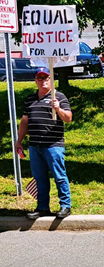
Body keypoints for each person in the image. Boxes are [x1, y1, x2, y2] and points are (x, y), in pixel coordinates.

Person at [15, 67, 73, 219]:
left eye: (45, 78)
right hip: (35, 146)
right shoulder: (30, 99)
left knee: (59, 176)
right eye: (39, 78)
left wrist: (58, 108)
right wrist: (19, 140)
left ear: (51, 80)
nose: (42, 81)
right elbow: (24, 121)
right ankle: (42, 208)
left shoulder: (59, 96)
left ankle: (65, 206)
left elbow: (68, 118)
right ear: (35, 81)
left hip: (53, 145)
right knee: (40, 178)